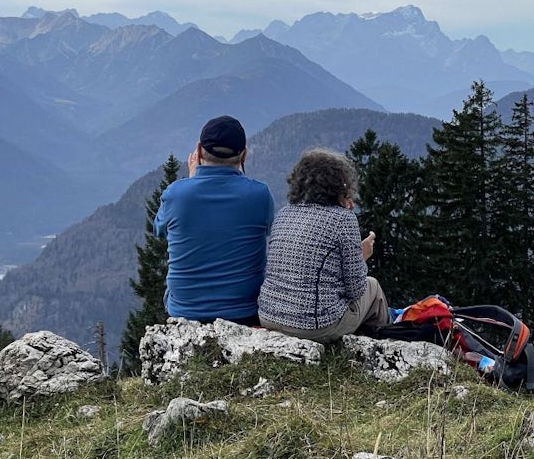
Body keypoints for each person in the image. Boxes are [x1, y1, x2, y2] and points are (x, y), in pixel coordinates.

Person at [257, 148, 391, 342]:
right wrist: (362, 257)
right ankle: (381, 348)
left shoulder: (284, 213)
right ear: (339, 185)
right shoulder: (343, 219)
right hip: (314, 325)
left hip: (268, 316)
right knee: (373, 287)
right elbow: (356, 289)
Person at [154, 115, 275, 325]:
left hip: (185, 312)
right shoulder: (260, 194)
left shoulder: (176, 194)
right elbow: (266, 231)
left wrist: (192, 182)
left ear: (199, 151)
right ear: (244, 155)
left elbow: (160, 230)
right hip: (245, 312)